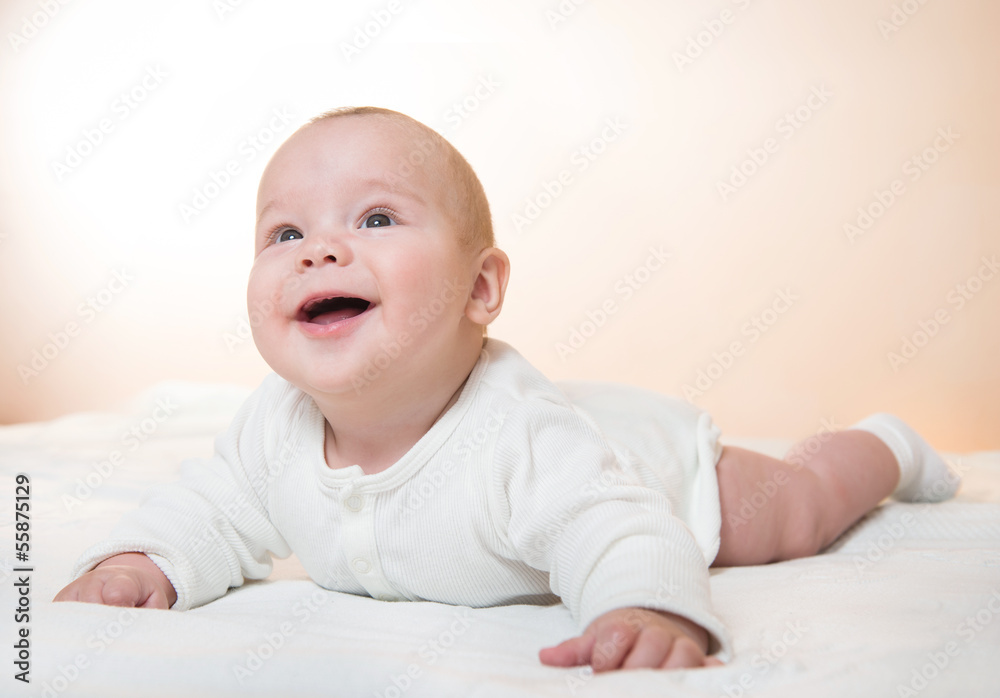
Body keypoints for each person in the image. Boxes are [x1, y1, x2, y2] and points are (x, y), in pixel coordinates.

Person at [54, 106, 961, 672]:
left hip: (655, 471)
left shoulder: (520, 441)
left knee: (793, 513)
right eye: (285, 232)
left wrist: (641, 607)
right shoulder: (271, 427)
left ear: (480, 289)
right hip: (586, 432)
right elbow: (209, 511)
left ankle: (883, 445)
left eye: (375, 218)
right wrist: (143, 564)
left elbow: (617, 527)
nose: (319, 249)